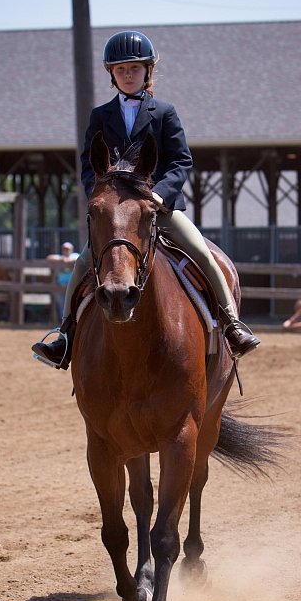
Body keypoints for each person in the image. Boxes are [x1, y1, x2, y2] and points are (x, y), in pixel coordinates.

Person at [32, 30, 260, 370]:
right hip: (116, 213)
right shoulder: (99, 116)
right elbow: (87, 165)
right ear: (112, 74)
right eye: (121, 69)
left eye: (134, 69)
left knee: (204, 254)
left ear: (147, 71)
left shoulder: (164, 112)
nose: (128, 74)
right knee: (82, 264)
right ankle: (65, 336)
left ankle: (231, 326)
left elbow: (181, 160)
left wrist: (158, 195)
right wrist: (100, 199)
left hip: (159, 207)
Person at [46, 241, 80, 320]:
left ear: (71, 250)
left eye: (68, 249)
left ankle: (73, 321)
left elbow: (78, 258)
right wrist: (62, 259)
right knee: (62, 305)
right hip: (60, 286)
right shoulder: (60, 257)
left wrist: (68, 260)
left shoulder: (75, 255)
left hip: (72, 286)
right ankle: (63, 321)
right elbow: (49, 257)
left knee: (73, 303)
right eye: (65, 249)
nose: (66, 251)